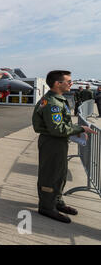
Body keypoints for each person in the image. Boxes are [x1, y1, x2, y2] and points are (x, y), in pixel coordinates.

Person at [32, 70, 96, 223]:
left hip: (58, 141)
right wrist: (80, 129)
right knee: (50, 174)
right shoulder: (52, 103)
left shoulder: (58, 100)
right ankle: (47, 207)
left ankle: (56, 200)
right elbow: (57, 128)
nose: (71, 83)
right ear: (57, 84)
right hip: (52, 142)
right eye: (68, 81)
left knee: (60, 173)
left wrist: (73, 130)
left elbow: (62, 125)